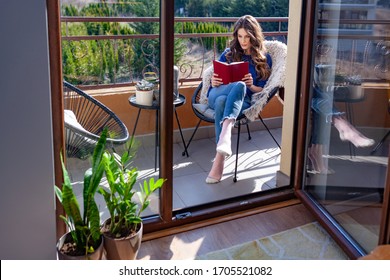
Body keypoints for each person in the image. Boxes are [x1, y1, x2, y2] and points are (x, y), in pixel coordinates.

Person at [206, 15, 272, 183]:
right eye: (240, 36)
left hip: (242, 101)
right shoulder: (228, 54)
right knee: (232, 89)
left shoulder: (264, 58)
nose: (243, 41)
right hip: (217, 92)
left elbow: (262, 89)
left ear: (254, 36)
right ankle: (226, 132)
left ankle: (220, 154)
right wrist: (214, 81)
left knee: (238, 89)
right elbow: (215, 82)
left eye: (247, 37)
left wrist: (250, 85)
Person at [308, 64, 375, 174]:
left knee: (322, 96)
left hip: (312, 92)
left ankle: (316, 151)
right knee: (322, 97)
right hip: (298, 92)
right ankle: (343, 126)